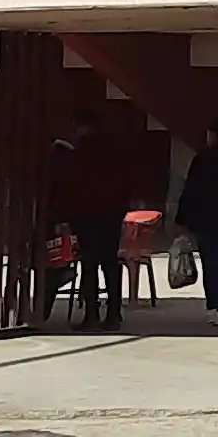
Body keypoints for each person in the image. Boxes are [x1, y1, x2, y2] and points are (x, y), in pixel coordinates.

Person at [48, 105, 127, 331]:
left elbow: (71, 185)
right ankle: (114, 314)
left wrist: (59, 214)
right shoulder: (114, 151)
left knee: (89, 264)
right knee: (110, 264)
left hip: (87, 215)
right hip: (111, 213)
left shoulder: (80, 153)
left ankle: (91, 314)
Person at [175, 118, 218, 332]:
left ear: (213, 135)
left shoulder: (203, 158)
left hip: (207, 220)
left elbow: (191, 190)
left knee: (211, 264)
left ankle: (215, 308)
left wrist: (182, 221)